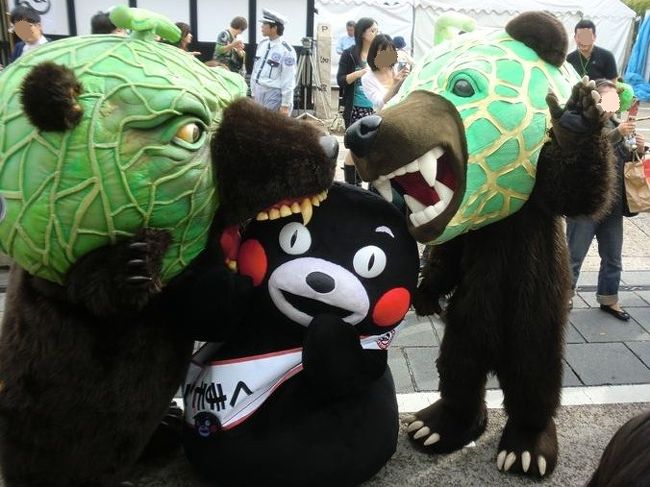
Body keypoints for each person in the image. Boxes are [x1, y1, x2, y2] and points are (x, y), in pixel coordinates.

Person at [566, 79, 646, 321]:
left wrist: (639, 149)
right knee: (574, 255)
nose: (612, 105)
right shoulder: (582, 124)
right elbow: (587, 152)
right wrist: (616, 134)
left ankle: (609, 298)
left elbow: (624, 157)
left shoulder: (615, 123)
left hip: (612, 202)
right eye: (606, 99)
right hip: (587, 200)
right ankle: (563, 297)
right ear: (595, 100)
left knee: (613, 255)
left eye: (614, 100)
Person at [336, 17, 378, 185]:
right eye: (373, 30)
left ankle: (359, 183)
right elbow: (340, 80)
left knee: (369, 150)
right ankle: (353, 186)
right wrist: (359, 74)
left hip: (375, 109)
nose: (376, 34)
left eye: (377, 30)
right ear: (362, 33)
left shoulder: (379, 54)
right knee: (356, 148)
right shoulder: (349, 54)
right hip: (355, 108)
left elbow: (388, 77)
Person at [250, 9, 296, 116]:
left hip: (273, 94)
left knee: (270, 127)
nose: (261, 27)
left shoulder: (287, 50)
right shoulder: (262, 44)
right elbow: (255, 69)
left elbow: (288, 79)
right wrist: (253, 92)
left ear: (274, 28)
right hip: (258, 92)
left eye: (265, 24)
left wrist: (285, 104)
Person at [361, 34, 409, 111]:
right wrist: (395, 84)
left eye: (390, 51)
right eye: (382, 51)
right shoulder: (367, 78)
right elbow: (379, 103)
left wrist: (407, 79)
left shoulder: (397, 68)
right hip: (384, 118)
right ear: (374, 53)